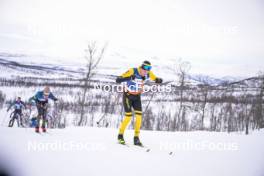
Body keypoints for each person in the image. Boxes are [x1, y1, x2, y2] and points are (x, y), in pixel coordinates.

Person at [116, 60, 163, 146]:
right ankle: (120, 135)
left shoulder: (148, 73)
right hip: (127, 95)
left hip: (137, 97)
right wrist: (129, 78)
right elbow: (118, 80)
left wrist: (158, 80)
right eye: (145, 69)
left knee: (139, 117)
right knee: (128, 116)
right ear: (141, 67)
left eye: (149, 69)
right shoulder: (132, 71)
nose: (146, 71)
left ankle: (136, 138)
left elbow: (155, 78)